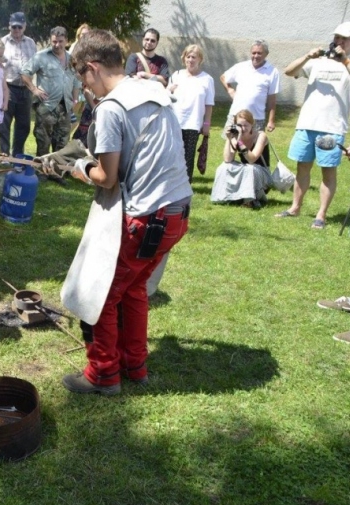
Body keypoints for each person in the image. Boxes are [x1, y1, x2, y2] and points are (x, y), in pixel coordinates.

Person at [60, 29, 192, 395]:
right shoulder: (150, 88)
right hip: (178, 211)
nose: (86, 87)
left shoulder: (112, 108)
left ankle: (103, 374)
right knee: (133, 290)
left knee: (101, 293)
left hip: (148, 219)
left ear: (92, 68)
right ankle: (135, 366)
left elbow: (107, 177)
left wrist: (80, 168)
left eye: (82, 77)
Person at [276, 23, 350, 229]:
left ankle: (321, 215)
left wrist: (344, 59)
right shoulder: (318, 62)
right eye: (337, 38)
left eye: (344, 39)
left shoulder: (347, 64)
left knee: (328, 171)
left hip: (332, 127)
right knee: (302, 167)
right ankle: (295, 207)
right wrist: (308, 56)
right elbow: (289, 71)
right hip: (307, 123)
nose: (339, 42)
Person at [20, 26, 80, 158]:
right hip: (47, 107)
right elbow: (25, 73)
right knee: (43, 141)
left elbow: (76, 81)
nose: (57, 45)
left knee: (62, 142)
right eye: (54, 41)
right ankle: (42, 171)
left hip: (65, 107)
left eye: (60, 41)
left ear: (67, 41)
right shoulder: (41, 56)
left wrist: (75, 100)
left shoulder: (72, 59)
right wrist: (34, 89)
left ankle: (57, 172)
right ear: (50, 40)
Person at [168, 44, 214, 181]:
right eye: (188, 57)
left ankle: (185, 184)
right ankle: (170, 182)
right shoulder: (176, 75)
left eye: (194, 57)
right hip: (174, 122)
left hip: (193, 123)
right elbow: (166, 97)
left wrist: (206, 123)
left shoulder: (207, 79)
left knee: (188, 156)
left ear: (200, 59)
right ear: (184, 58)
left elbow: (209, 104)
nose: (190, 60)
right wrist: (169, 89)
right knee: (172, 154)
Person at [211, 110, 271, 208]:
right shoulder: (235, 135)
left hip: (261, 174)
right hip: (246, 169)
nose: (242, 129)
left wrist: (239, 143)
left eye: (245, 125)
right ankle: (223, 197)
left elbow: (252, 159)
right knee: (224, 167)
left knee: (250, 169)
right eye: (239, 125)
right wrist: (229, 139)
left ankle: (250, 200)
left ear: (252, 124)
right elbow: (227, 159)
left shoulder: (261, 136)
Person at [220, 40, 280, 134]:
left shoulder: (273, 72)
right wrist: (230, 90)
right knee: (231, 144)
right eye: (254, 53)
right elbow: (223, 77)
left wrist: (271, 121)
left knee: (254, 147)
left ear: (266, 54)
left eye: (259, 53)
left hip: (257, 118)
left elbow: (272, 99)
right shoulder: (241, 67)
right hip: (235, 116)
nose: (256, 56)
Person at [0, 12, 36, 156]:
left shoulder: (31, 43)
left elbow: (35, 65)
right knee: (4, 124)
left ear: (25, 26)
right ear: (9, 26)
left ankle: (18, 155)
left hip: (26, 89)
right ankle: (4, 155)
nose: (17, 30)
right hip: (8, 88)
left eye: (20, 27)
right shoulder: (3, 42)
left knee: (24, 125)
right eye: (14, 27)